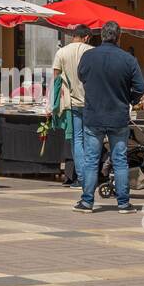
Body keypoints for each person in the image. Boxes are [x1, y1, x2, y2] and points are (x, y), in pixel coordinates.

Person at [74, 21, 144, 213]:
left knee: (91, 159)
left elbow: (81, 76)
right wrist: (127, 98)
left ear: (102, 36)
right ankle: (123, 203)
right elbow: (140, 87)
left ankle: (87, 201)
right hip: (118, 115)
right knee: (120, 159)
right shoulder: (128, 59)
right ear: (119, 36)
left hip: (94, 115)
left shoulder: (88, 56)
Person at [51, 25, 93, 188]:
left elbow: (56, 78)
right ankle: (90, 177)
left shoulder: (61, 52)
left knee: (77, 140)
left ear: (73, 35)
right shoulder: (91, 51)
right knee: (90, 140)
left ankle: (82, 178)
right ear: (87, 37)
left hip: (72, 102)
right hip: (90, 102)